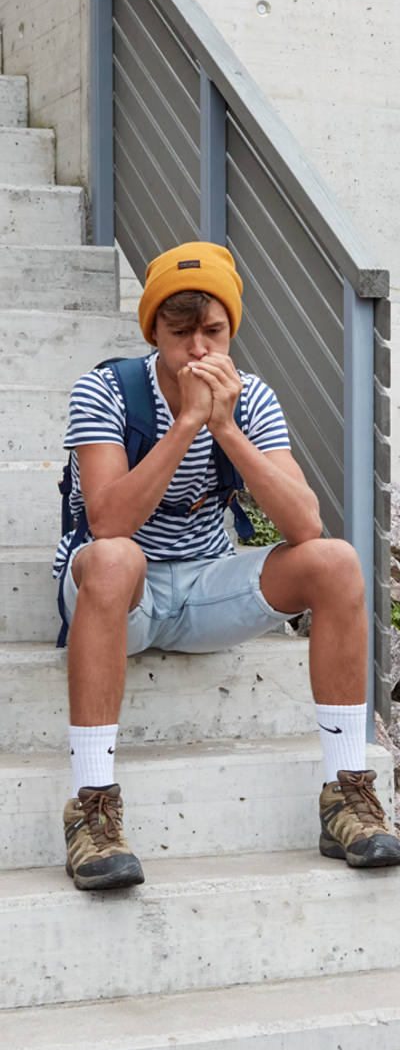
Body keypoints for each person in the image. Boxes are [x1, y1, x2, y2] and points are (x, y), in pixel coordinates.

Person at [53, 240, 400, 889]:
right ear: (153, 330)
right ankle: (92, 809)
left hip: (206, 586)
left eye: (211, 331)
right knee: (112, 556)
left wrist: (226, 428)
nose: (198, 351)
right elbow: (107, 521)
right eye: (179, 332)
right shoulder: (105, 390)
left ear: (230, 328)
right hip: (123, 593)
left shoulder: (253, 398)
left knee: (335, 561)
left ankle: (346, 794)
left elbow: (302, 524)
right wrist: (186, 423)